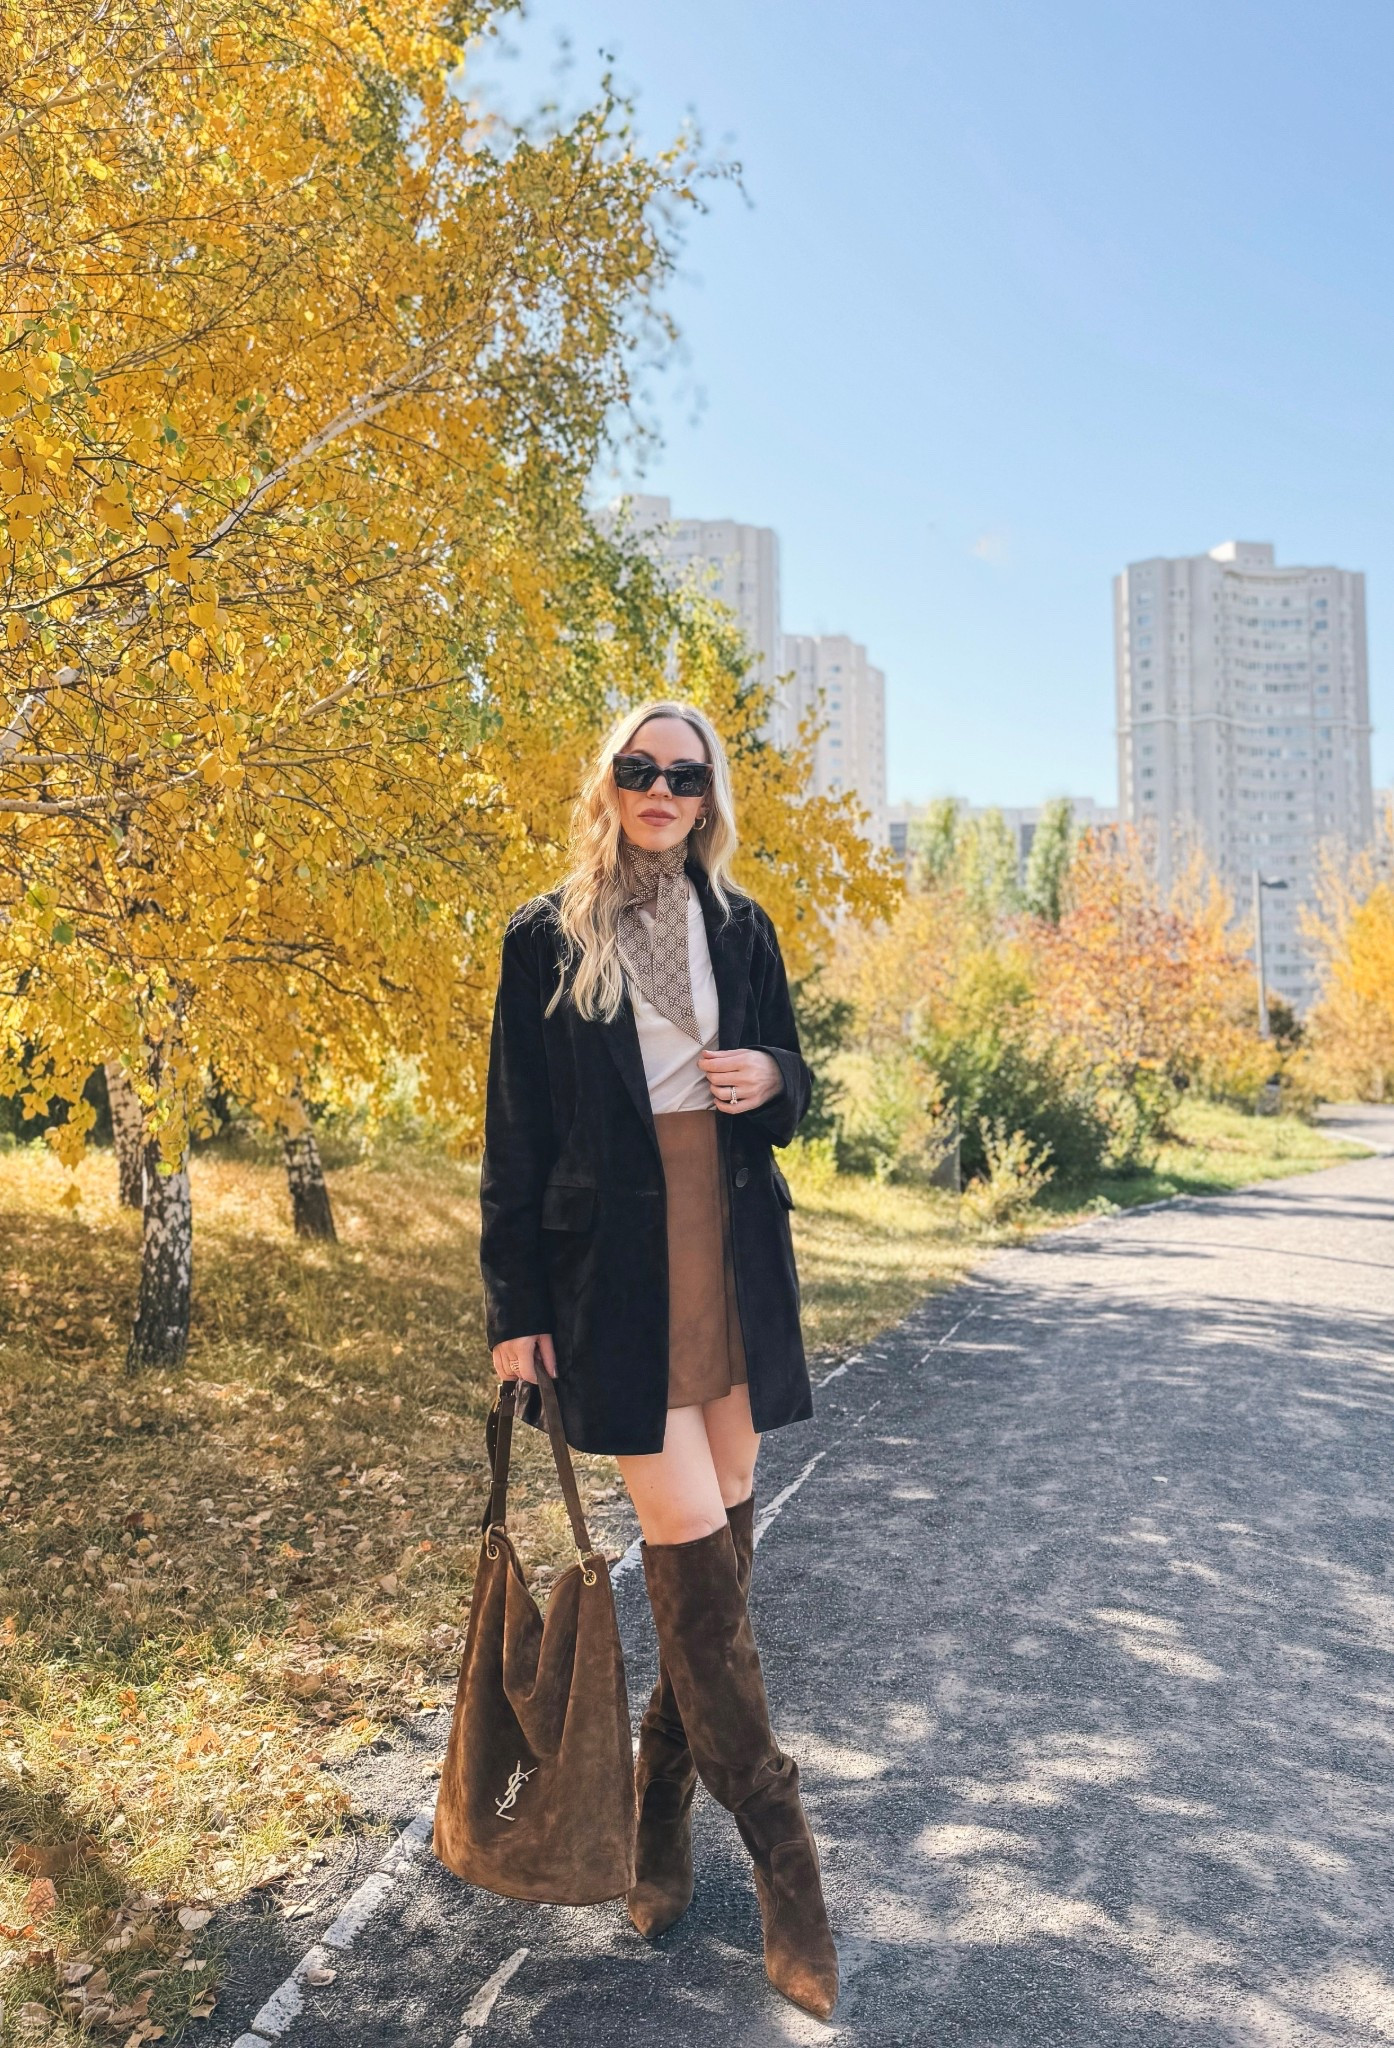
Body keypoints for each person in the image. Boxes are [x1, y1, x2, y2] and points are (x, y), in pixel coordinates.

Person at [479, 698, 837, 2021]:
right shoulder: (544, 937)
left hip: (731, 1265)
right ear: (609, 782)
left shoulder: (741, 927)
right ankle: (787, 1860)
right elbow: (513, 1142)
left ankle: (657, 1815)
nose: (660, 790)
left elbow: (801, 1081)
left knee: (716, 1583)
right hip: (616, 1287)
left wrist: (771, 1077)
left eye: (683, 776)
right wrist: (514, 1306)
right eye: (639, 770)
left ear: (707, 796)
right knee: (688, 1549)